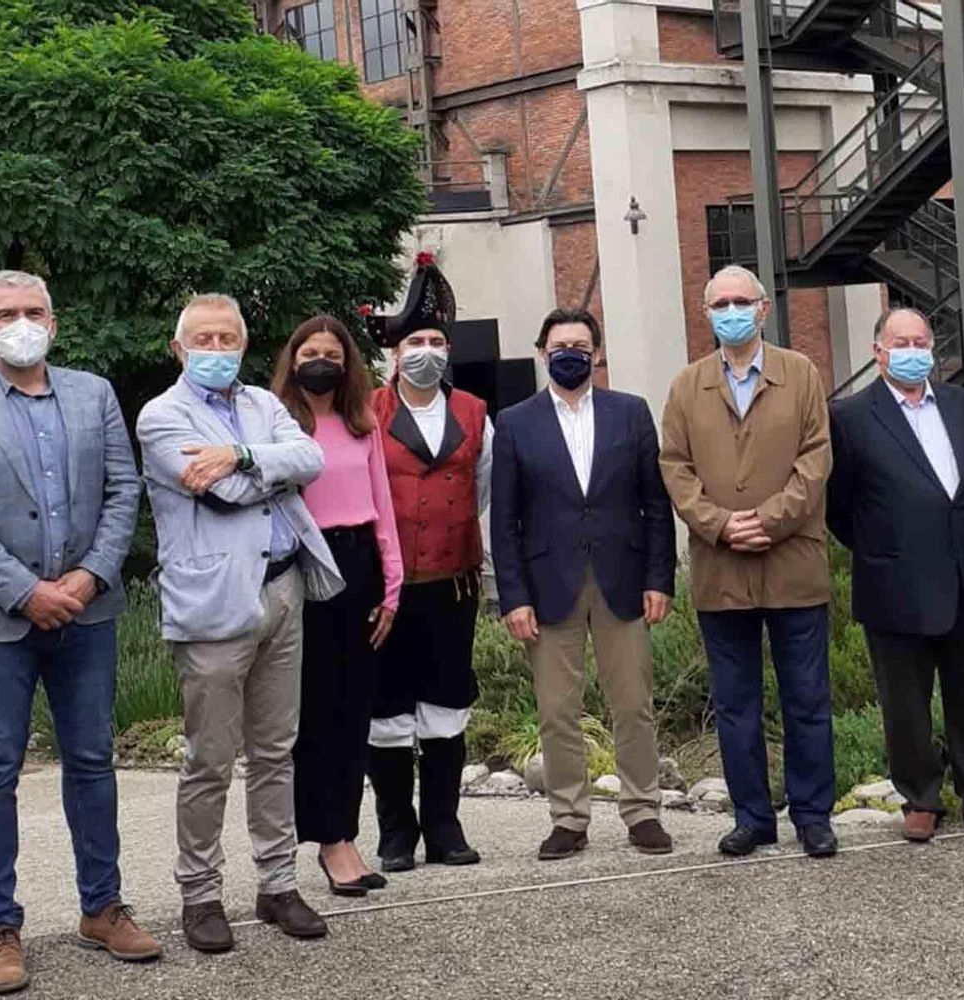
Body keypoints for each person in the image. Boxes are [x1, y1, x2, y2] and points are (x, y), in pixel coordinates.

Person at [0, 269, 158, 994]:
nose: (20, 322)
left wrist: (87, 579)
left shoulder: (93, 396)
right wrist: (27, 593)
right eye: (5, 313)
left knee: (92, 761)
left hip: (88, 612)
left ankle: (103, 907)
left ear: (54, 323)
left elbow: (124, 491)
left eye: (33, 311)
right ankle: (1, 926)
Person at [137, 293, 343, 953]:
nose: (217, 350)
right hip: (215, 603)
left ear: (244, 346)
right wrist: (259, 469)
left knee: (276, 750)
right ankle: (200, 895)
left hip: (283, 589)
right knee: (211, 760)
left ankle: (278, 882)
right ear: (179, 348)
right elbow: (217, 493)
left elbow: (310, 459)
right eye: (204, 339)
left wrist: (242, 456)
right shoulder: (161, 416)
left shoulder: (263, 403)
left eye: (229, 339)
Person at [826, 308, 964, 845]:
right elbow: (837, 506)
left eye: (921, 341)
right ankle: (921, 797)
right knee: (905, 700)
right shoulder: (849, 417)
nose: (913, 350)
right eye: (901, 341)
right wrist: (885, 548)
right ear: (878, 351)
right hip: (894, 581)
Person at [659, 264, 838, 859]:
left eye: (741, 301)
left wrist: (770, 519)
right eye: (720, 303)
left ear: (763, 310)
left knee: (806, 698)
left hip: (793, 565)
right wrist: (718, 523)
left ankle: (813, 816)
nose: (730, 311)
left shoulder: (801, 373)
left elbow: (816, 456)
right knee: (736, 705)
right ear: (706, 313)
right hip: (722, 568)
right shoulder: (686, 386)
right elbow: (675, 469)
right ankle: (752, 817)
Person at [491, 309, 678, 861]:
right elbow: (505, 522)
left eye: (579, 343)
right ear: (542, 352)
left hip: (623, 579)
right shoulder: (516, 422)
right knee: (557, 710)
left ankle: (643, 811)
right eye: (558, 344)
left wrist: (659, 578)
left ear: (596, 352)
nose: (569, 352)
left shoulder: (631, 413)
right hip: (549, 587)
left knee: (632, 703)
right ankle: (569, 818)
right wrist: (514, 596)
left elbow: (655, 506)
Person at [364, 257, 492, 871]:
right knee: (386, 711)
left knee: (445, 706)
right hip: (386, 591)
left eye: (437, 341)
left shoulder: (473, 411)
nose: (427, 351)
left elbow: (480, 488)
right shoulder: (367, 412)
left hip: (453, 583)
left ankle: (444, 825)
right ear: (395, 352)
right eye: (416, 341)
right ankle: (395, 831)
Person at [270, 315, 405, 895]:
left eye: (332, 352)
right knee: (312, 712)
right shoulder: (275, 423)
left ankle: (343, 836)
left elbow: (382, 503)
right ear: (293, 361)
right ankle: (315, 835)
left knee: (354, 710)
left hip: (359, 565)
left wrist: (393, 583)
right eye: (310, 352)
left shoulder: (362, 422)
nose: (321, 361)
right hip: (302, 564)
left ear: (348, 364)